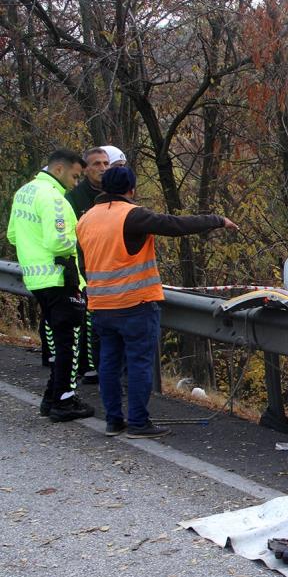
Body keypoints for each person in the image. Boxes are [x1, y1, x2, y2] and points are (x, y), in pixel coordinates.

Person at [77, 166, 238, 438]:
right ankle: (138, 422)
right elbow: (175, 225)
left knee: (109, 364)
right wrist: (217, 219)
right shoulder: (132, 215)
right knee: (139, 364)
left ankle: (113, 421)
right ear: (131, 189)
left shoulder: (85, 219)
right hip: (134, 304)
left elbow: (85, 262)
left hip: (100, 305)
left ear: (103, 188)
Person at [7, 149, 96, 422]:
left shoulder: (24, 192)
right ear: (59, 169)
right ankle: (64, 401)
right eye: (75, 176)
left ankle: (52, 397)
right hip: (60, 278)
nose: (76, 183)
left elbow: (12, 235)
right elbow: (59, 243)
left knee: (59, 341)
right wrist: (79, 239)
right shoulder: (54, 199)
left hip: (36, 278)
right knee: (69, 341)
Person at [66, 146, 111, 384]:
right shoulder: (73, 197)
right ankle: (88, 367)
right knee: (87, 320)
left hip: (111, 267)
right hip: (84, 268)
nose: (102, 168)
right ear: (85, 169)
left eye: (106, 163)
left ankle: (108, 368)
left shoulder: (115, 193)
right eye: (97, 164)